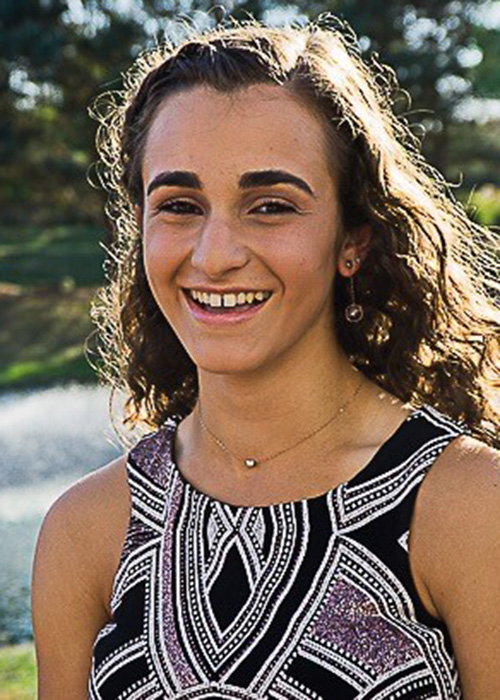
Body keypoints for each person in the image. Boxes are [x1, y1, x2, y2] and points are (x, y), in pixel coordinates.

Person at [31, 12, 500, 700]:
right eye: (181, 205)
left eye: (271, 205)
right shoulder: (85, 531)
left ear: (354, 241)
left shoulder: (470, 509)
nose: (215, 255)